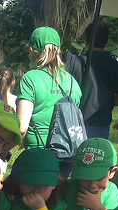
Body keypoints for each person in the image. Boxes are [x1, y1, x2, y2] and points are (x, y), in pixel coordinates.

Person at [16, 26, 82, 178]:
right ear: (58, 50)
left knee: (33, 199)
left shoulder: (30, 78)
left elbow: (21, 127)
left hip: (38, 156)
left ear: (32, 50)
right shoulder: (72, 81)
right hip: (67, 153)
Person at [66, 21, 118, 140]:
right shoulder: (117, 67)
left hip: (75, 119)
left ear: (86, 39)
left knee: (73, 157)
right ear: (107, 40)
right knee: (95, 156)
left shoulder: (75, 63)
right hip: (101, 120)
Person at [3, 148, 71, 210]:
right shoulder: (17, 209)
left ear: (54, 184)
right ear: (17, 182)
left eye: (44, 185)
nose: (36, 189)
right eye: (30, 183)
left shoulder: (54, 198)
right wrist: (41, 208)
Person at [64, 137, 118, 210]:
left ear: (112, 172)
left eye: (99, 178)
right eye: (85, 178)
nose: (92, 186)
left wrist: (97, 207)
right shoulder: (70, 188)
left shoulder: (111, 190)